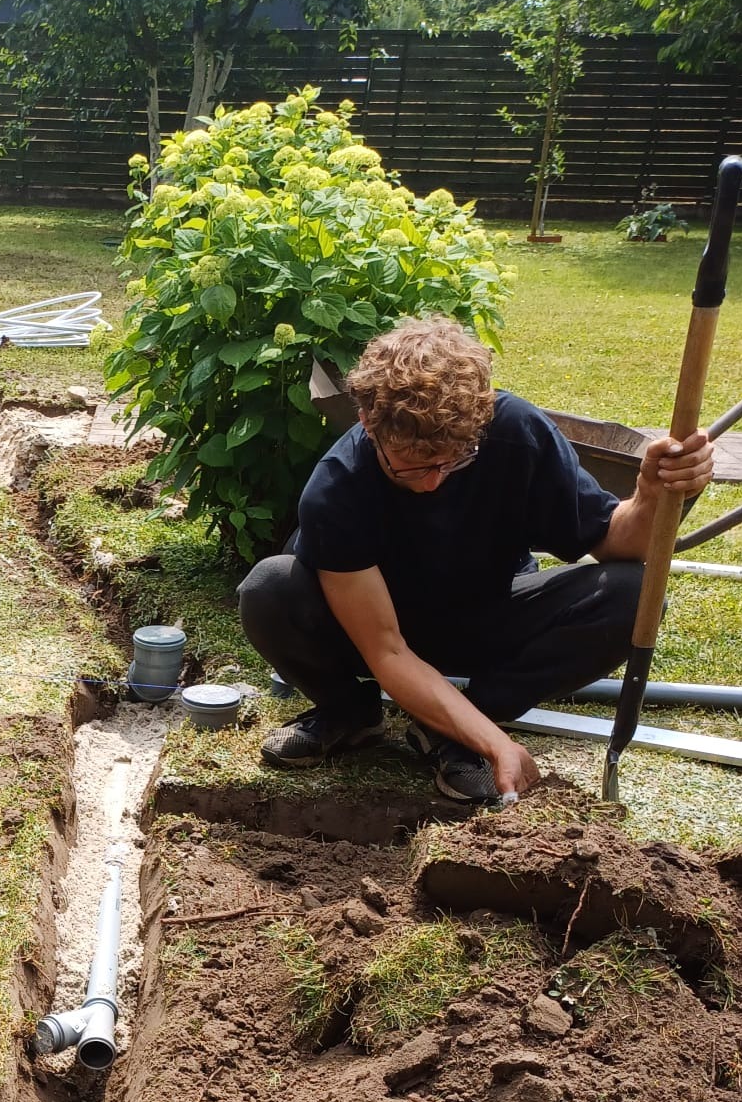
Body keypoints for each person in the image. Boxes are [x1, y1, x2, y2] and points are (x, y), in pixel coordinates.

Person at [237, 316, 715, 804]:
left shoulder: (513, 431)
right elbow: (388, 651)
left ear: (479, 423)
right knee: (269, 589)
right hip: (376, 628)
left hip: (486, 614)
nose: (433, 482)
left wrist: (652, 492)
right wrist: (498, 746)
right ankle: (347, 713)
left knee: (634, 597)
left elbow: (618, 543)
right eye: (412, 464)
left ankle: (453, 728)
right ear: (367, 421)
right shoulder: (337, 487)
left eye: (453, 459)